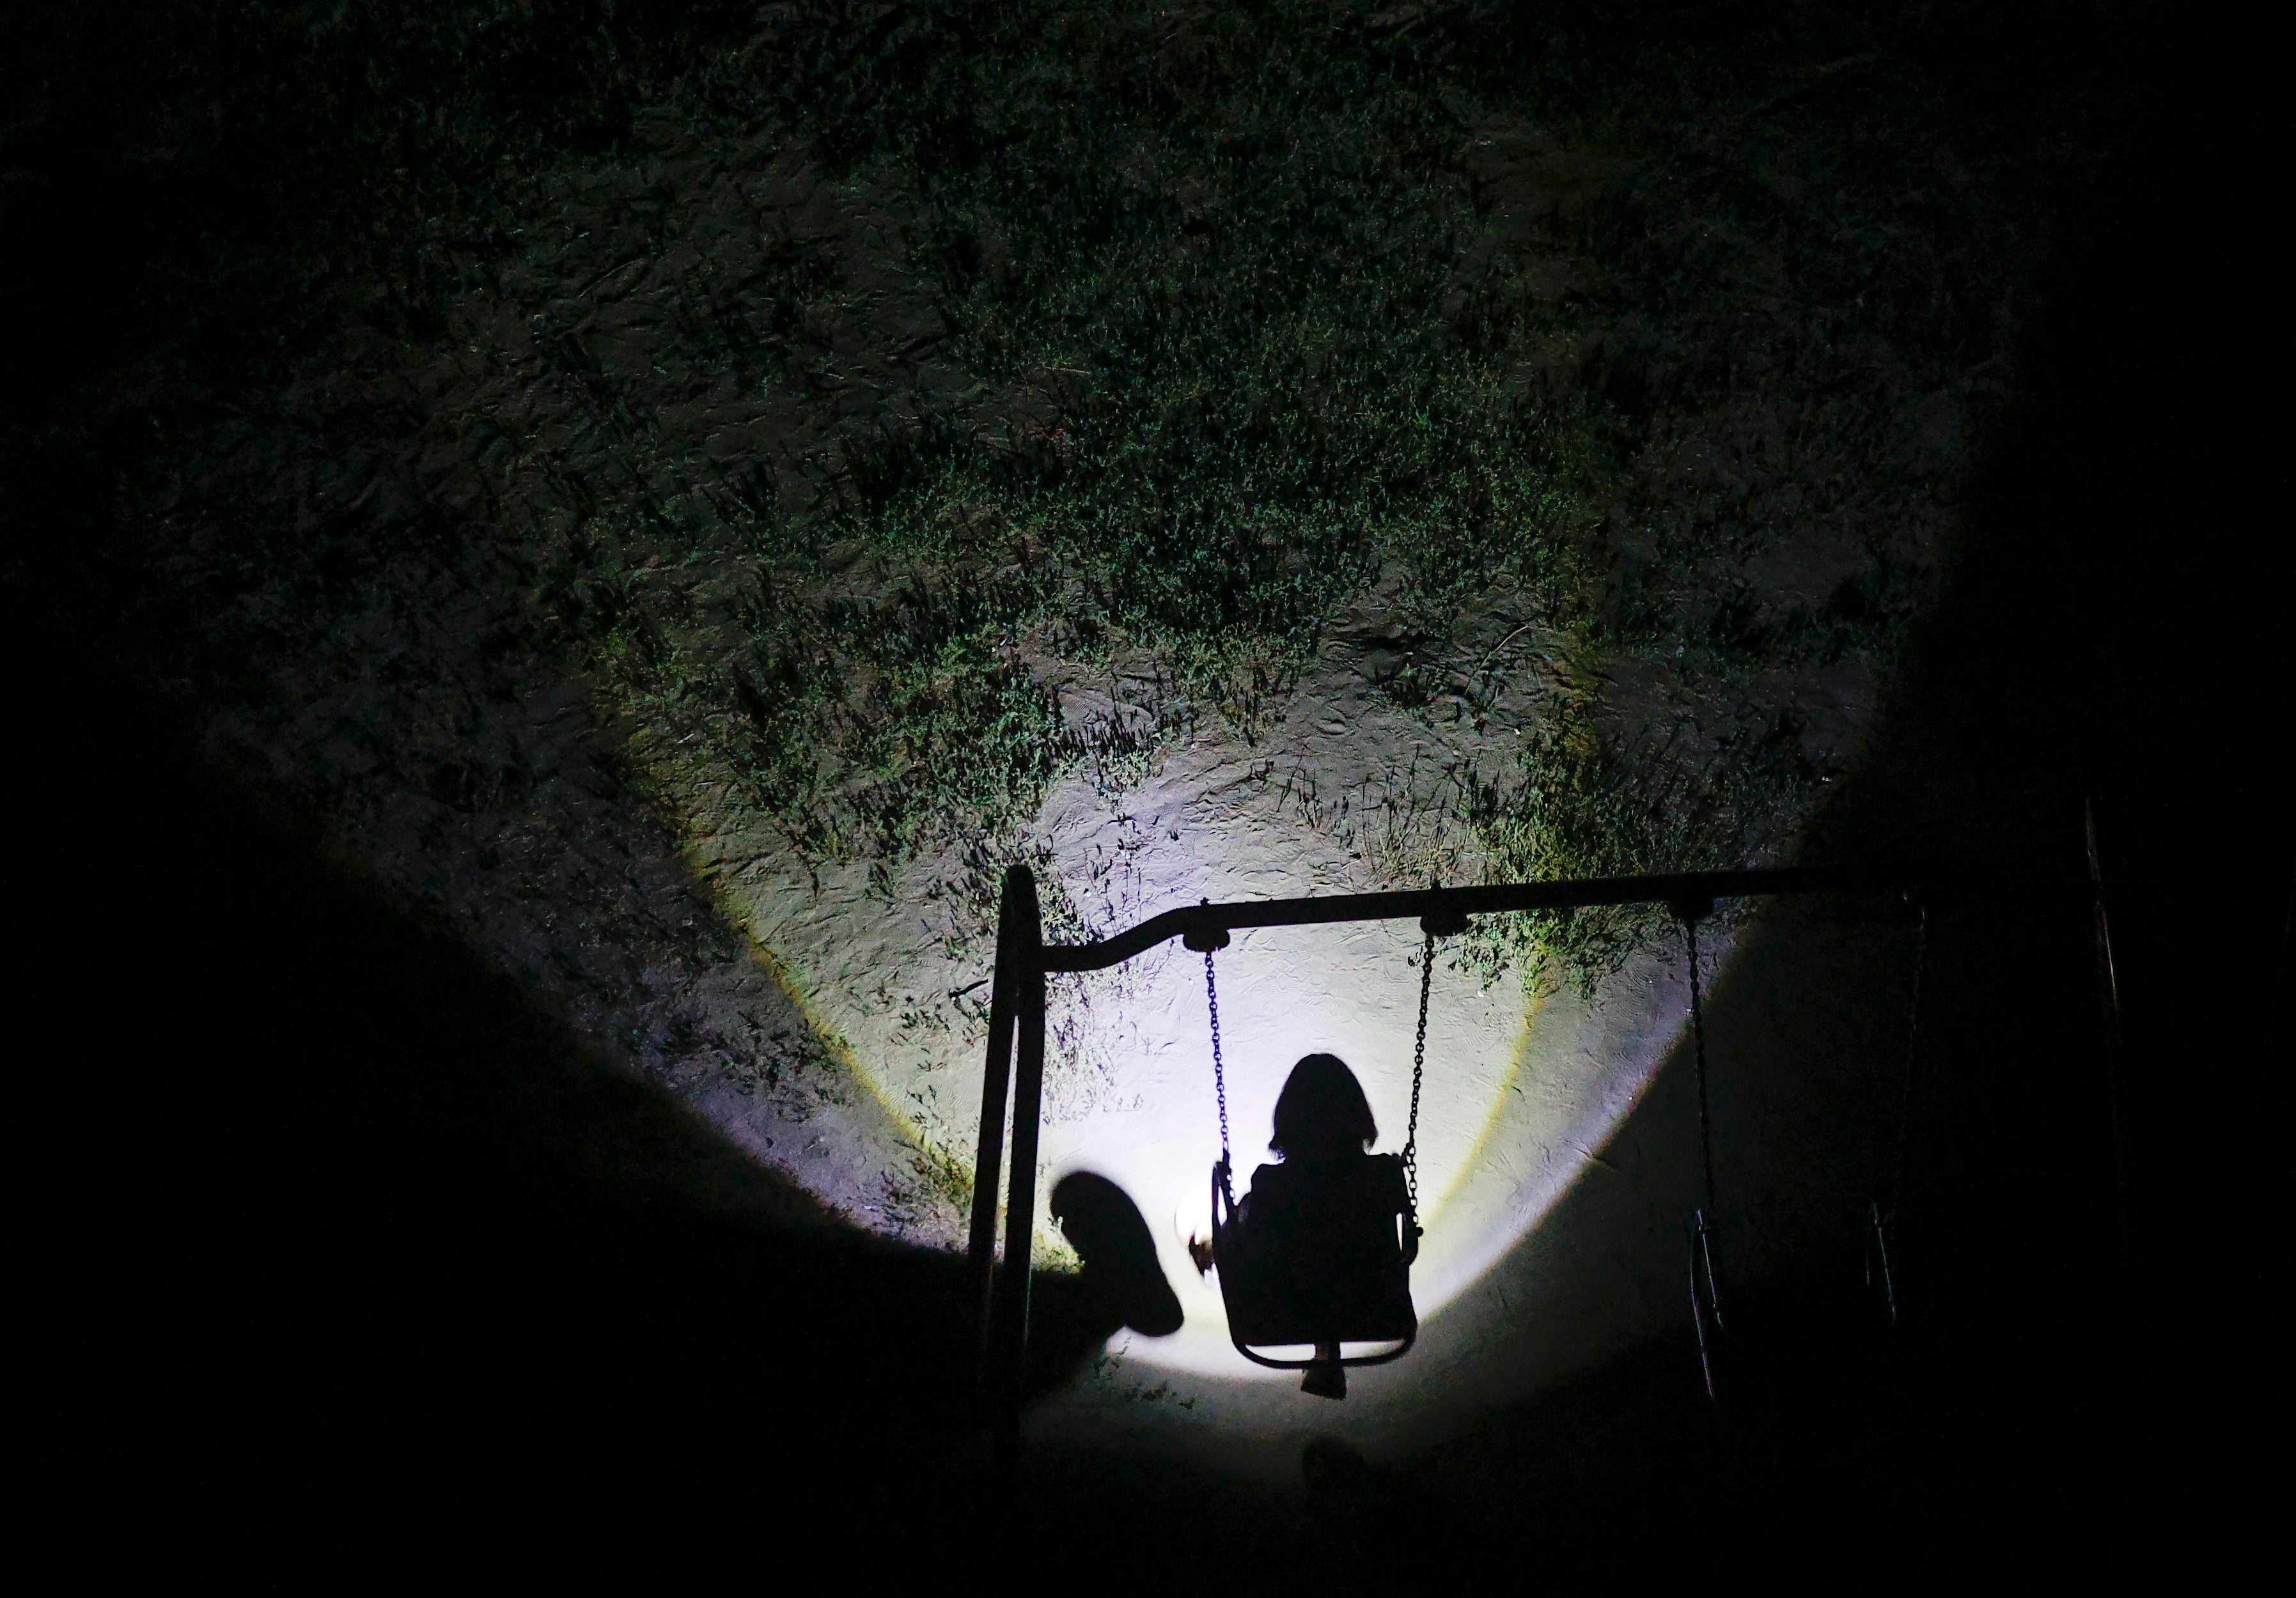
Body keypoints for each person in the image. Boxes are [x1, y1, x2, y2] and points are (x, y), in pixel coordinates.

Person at [1233, 1053, 1417, 1399]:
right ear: (1357, 1116)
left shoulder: (1271, 1184)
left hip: (1284, 1313)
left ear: (1288, 1119)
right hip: (1372, 1307)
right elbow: (1400, 1245)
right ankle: (1327, 1352)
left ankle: (1325, 1352)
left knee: (1287, 1253)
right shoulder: (1383, 1177)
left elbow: (1255, 1248)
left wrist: (1237, 1223)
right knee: (1336, 1262)